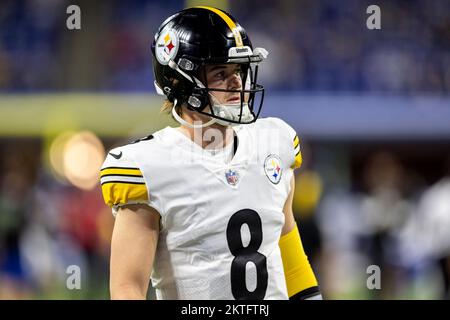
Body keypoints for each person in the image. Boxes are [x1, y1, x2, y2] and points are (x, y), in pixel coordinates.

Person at [100, 6, 321, 300]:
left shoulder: (274, 143)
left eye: (240, 71)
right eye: (220, 72)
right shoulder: (147, 166)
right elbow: (127, 288)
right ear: (179, 81)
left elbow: (290, 259)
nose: (237, 83)